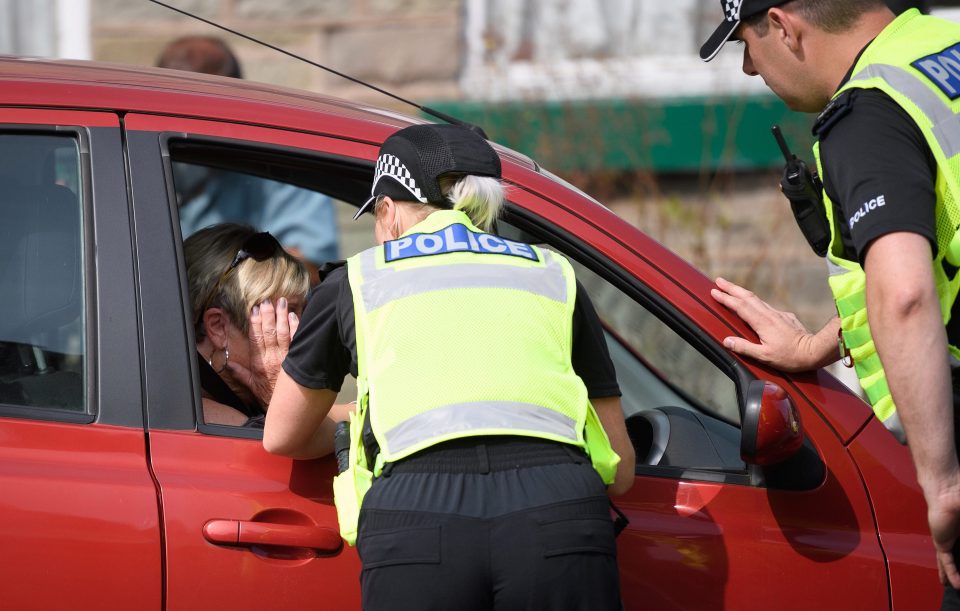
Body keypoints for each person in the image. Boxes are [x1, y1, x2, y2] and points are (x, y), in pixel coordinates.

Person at [263, 123, 634, 610]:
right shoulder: (553, 274)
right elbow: (622, 470)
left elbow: (281, 437)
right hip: (557, 514)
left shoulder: (356, 281)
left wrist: (355, 419)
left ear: (389, 212)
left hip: (418, 518)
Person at [700, 0, 960, 604]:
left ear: (786, 27)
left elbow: (906, 296)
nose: (747, 69)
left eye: (746, 43)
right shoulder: (938, 52)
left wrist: (943, 485)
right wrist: (819, 343)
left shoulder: (867, 116)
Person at [157, 36, 340, 281]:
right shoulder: (140, 156)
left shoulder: (283, 163)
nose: (186, 129)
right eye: (175, 114)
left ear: (236, 104)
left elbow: (311, 273)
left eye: (201, 113)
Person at [185, 223, 309, 426]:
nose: (302, 330)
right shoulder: (214, 422)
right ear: (219, 327)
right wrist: (282, 398)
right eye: (285, 314)